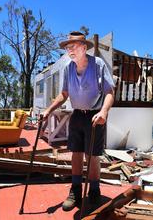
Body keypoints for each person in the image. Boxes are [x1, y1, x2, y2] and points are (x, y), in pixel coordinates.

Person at [42, 31, 114, 211]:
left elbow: (109, 92)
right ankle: (75, 191)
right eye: (67, 48)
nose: (69, 50)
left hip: (94, 115)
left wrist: (104, 112)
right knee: (75, 153)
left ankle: (95, 191)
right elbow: (64, 94)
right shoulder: (68, 68)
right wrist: (49, 110)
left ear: (83, 47)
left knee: (92, 155)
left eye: (72, 46)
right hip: (77, 115)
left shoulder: (98, 65)